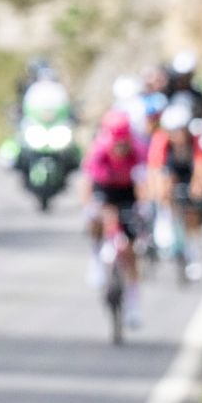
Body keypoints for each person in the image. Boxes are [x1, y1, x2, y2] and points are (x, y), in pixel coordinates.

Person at [82, 110, 147, 325]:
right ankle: (96, 257)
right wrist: (89, 208)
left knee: (129, 252)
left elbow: (142, 184)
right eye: (116, 144)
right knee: (96, 220)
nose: (120, 148)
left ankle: (134, 302)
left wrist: (144, 207)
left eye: (123, 144)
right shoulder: (98, 150)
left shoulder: (137, 150)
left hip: (128, 192)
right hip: (105, 190)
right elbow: (87, 185)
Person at [147, 103, 202, 280]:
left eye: (181, 131)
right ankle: (165, 223)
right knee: (164, 188)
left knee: (193, 212)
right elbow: (156, 169)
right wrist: (159, 193)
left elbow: (201, 166)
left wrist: (199, 186)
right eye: (174, 131)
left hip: (188, 173)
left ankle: (193, 254)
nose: (178, 136)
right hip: (170, 173)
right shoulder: (161, 140)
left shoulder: (196, 140)